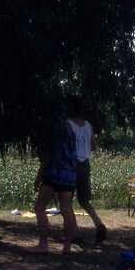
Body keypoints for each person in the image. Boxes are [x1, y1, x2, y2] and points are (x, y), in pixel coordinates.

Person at [27, 118, 78, 254]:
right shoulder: (70, 132)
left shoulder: (49, 131)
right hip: (69, 174)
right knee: (66, 209)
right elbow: (74, 157)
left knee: (39, 207)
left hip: (53, 173)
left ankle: (43, 245)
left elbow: (47, 157)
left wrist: (38, 177)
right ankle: (67, 246)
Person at [64, 95, 106, 244]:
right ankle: (98, 222)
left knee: (66, 201)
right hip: (85, 164)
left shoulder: (67, 124)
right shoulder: (88, 125)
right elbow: (93, 146)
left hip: (71, 164)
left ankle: (75, 231)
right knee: (84, 200)